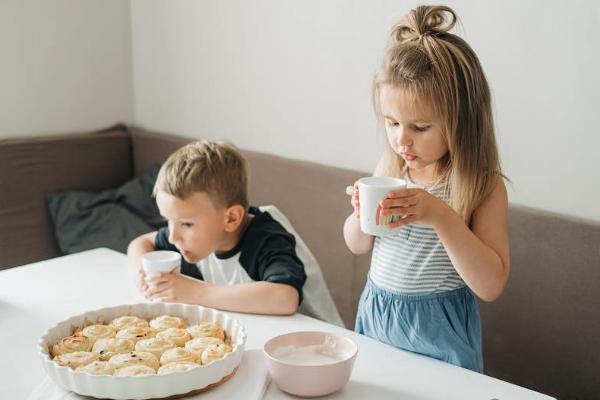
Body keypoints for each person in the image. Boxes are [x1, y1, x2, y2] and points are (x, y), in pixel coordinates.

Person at [343, 5, 509, 372]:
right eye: (392, 122)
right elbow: (357, 245)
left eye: (419, 127)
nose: (402, 139)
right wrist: (359, 215)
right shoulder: (391, 168)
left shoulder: (482, 185)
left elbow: (491, 285)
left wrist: (440, 215)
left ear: (460, 122)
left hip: (439, 330)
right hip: (379, 316)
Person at [127, 140, 306, 315]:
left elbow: (285, 298)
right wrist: (140, 271)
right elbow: (140, 242)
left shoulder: (268, 239)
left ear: (231, 219)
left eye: (186, 224)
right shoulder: (202, 233)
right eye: (168, 220)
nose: (173, 237)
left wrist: (194, 291)